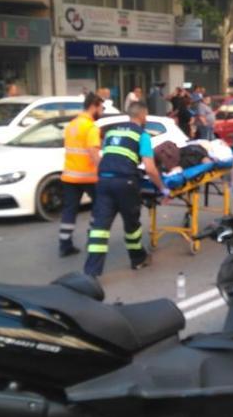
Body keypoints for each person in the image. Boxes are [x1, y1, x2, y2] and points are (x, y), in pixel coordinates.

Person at [85, 102, 168, 278]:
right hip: (125, 183)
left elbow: (108, 156)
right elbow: (150, 168)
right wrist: (162, 188)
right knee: (132, 225)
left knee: (99, 228)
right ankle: (138, 259)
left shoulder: (112, 131)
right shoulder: (142, 135)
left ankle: (90, 273)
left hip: (104, 181)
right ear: (143, 115)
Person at [59, 92, 104, 258]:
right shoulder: (91, 127)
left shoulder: (72, 125)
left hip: (70, 176)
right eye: (101, 108)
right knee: (99, 207)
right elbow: (93, 152)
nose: (102, 111)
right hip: (88, 176)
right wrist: (103, 169)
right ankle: (92, 240)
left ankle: (64, 244)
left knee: (69, 210)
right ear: (93, 106)